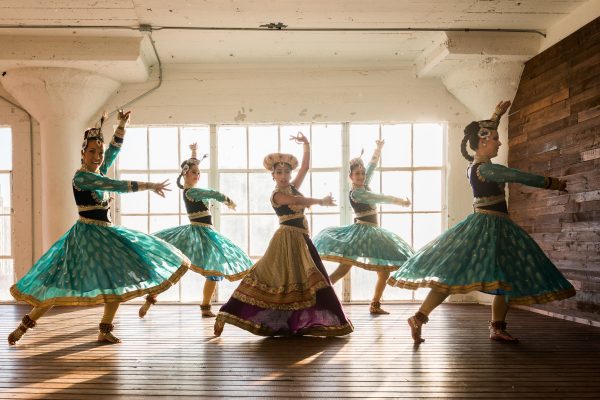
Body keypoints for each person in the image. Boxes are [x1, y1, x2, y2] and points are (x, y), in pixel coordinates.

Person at [388, 100, 576, 344]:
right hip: (490, 226)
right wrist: (552, 183)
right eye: (495, 139)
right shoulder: (487, 169)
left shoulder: (474, 166)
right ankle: (429, 318)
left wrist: (497, 114)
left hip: (490, 225)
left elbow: (483, 130)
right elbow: (518, 175)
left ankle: (485, 325)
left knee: (492, 276)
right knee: (470, 274)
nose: (499, 142)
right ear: (484, 142)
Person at [8, 110, 189, 345]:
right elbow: (115, 185)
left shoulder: (98, 170)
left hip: (105, 234)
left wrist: (122, 125)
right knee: (59, 281)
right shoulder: (82, 178)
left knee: (116, 279)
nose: (97, 156)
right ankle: (25, 325)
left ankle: (105, 329)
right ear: (82, 153)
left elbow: (114, 150)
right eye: (92, 152)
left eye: (99, 152)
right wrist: (149, 184)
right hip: (84, 237)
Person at [214, 133, 353, 337]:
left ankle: (303, 323)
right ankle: (225, 314)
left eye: (286, 172)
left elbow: (304, 167)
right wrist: (320, 201)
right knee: (265, 277)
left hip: (301, 240)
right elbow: (298, 201)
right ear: (273, 176)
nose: (283, 176)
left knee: (309, 281)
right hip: (286, 240)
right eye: (279, 173)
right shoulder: (277, 195)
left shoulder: (293, 186)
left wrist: (306, 145)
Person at [138, 143, 253, 319]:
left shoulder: (192, 190)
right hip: (197, 234)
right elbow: (213, 193)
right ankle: (151, 298)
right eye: (194, 172)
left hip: (207, 233)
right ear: (185, 173)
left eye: (199, 173)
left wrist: (193, 153)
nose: (198, 175)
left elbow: (196, 172)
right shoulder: (191, 192)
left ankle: (205, 306)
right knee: (177, 267)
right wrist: (227, 200)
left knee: (214, 270)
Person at [313, 140, 413, 314]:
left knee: (383, 272)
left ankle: (375, 304)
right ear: (350, 176)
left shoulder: (363, 184)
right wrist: (401, 202)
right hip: (362, 232)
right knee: (344, 268)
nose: (361, 176)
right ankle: (319, 296)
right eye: (357, 174)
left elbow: (371, 168)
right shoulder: (358, 192)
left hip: (372, 232)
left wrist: (378, 149)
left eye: (362, 173)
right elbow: (380, 197)